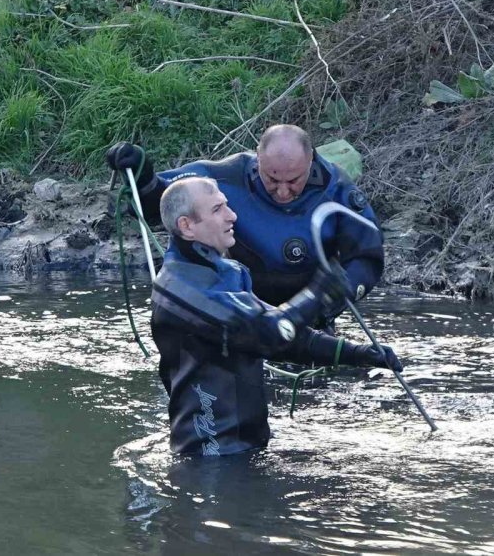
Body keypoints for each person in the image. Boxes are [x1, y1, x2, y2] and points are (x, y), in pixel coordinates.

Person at [150, 176, 402, 456]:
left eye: (227, 205)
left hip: (248, 448)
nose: (232, 216)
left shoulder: (227, 272)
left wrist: (357, 353)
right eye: (217, 209)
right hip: (207, 456)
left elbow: (287, 338)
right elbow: (268, 333)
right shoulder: (181, 291)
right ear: (187, 226)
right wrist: (318, 294)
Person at [106, 124, 385, 316]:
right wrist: (142, 176)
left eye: (294, 180)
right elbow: (162, 204)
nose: (283, 191)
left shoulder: (336, 190)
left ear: (311, 160)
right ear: (258, 159)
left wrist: (337, 294)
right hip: (237, 309)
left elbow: (368, 255)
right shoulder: (228, 176)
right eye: (272, 179)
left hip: (311, 314)